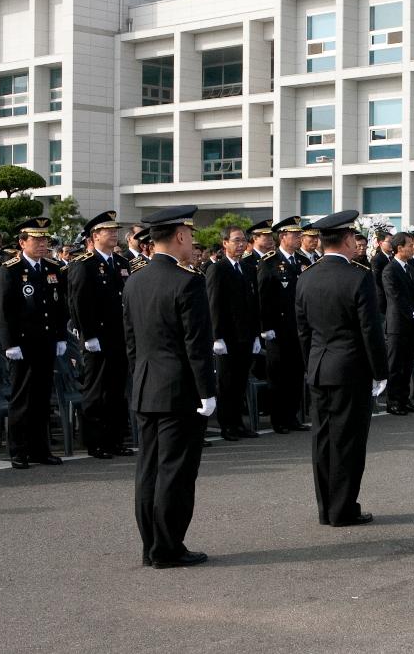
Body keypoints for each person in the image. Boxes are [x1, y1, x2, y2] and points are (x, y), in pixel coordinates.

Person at [122, 205, 215, 568]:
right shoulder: (188, 281)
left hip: (146, 385)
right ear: (179, 236)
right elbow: (197, 345)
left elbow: (131, 342)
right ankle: (168, 547)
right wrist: (207, 391)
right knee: (175, 471)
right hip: (179, 390)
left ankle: (151, 546)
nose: (192, 242)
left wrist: (140, 379)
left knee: (149, 469)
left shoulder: (134, 279)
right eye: (190, 235)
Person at [294, 210, 388, 527]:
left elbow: (303, 330)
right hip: (350, 370)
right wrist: (380, 371)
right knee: (348, 442)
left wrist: (313, 363)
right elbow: (371, 331)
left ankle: (326, 508)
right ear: (348, 240)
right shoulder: (358, 277)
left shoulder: (306, 277)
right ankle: (343, 509)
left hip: (320, 368)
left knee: (323, 441)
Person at [0, 218, 68, 469]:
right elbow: (5, 310)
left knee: (41, 398)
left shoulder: (52, 267)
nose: (41, 244)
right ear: (22, 242)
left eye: (44, 239)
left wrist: (60, 336)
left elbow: (59, 306)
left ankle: (40, 449)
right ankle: (18, 450)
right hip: (23, 344)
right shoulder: (11, 269)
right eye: (36, 239)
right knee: (22, 398)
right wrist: (9, 343)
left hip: (46, 342)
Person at [67, 211, 135, 459]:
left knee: (116, 391)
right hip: (98, 338)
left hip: (119, 336)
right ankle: (95, 442)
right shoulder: (84, 264)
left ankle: (115, 440)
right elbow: (79, 303)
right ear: (95, 235)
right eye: (108, 230)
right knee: (96, 392)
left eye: (116, 230)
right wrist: (89, 334)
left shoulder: (121, 263)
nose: (114, 233)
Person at [205, 224, 262, 440]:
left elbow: (253, 303)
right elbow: (214, 304)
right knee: (226, 383)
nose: (241, 244)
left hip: (245, 335)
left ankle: (238, 423)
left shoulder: (248, 268)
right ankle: (227, 425)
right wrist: (216, 336)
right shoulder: (217, 269)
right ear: (225, 243)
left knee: (240, 382)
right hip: (227, 337)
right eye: (236, 240)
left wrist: (256, 333)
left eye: (243, 240)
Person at [258, 217, 309, 434]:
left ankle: (292, 416)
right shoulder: (269, 261)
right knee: (278, 376)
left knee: (296, 374)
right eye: (295, 235)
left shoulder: (301, 261)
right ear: (283, 236)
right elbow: (262, 296)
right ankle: (279, 419)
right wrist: (265, 325)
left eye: (300, 235)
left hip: (297, 328)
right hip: (277, 329)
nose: (299, 238)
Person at [380, 232, 414, 415]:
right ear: (400, 248)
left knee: (407, 364)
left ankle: (404, 399)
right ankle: (394, 401)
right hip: (397, 325)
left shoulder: (410, 268)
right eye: (409, 245)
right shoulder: (390, 270)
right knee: (396, 365)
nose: (413, 248)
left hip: (410, 323)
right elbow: (395, 297)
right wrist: (411, 311)